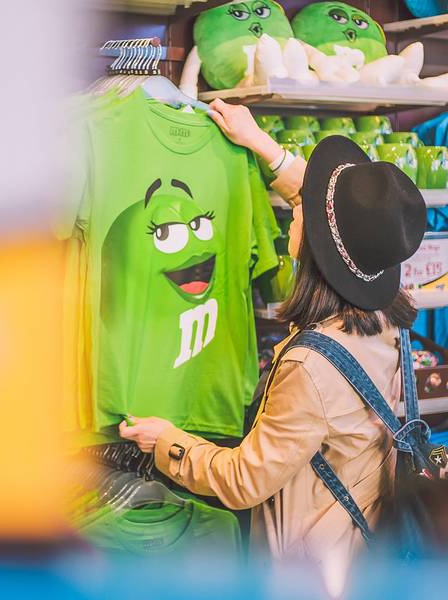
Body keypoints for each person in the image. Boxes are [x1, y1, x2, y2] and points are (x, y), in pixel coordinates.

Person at [119, 99, 427, 578]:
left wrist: (167, 443)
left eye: (305, 217)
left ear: (318, 249)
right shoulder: (387, 313)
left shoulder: (312, 367)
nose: (296, 215)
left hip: (317, 572)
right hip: (371, 544)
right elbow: (326, 208)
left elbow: (244, 480)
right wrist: (262, 144)